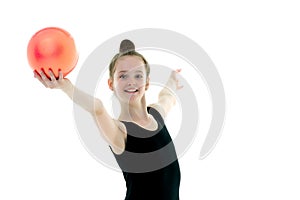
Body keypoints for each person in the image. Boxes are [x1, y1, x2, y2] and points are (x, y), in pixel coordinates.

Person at [34, 39, 183, 200]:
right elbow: (97, 108)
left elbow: (167, 98)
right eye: (123, 76)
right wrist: (65, 86)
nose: (131, 81)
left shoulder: (156, 115)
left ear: (147, 83)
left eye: (138, 75)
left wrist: (172, 82)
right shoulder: (119, 132)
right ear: (111, 84)